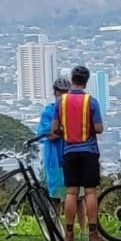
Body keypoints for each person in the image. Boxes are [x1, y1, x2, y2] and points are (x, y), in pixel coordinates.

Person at [52, 66, 105, 241]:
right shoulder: (91, 101)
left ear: (72, 80)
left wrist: (66, 131)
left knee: (71, 192)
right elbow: (98, 128)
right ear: (86, 81)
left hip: (69, 151)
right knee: (90, 191)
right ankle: (92, 233)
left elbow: (54, 129)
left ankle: (68, 233)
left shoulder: (61, 102)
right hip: (89, 150)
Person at [36, 78, 70, 208]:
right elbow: (45, 134)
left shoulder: (71, 110)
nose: (63, 95)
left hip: (69, 156)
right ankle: (56, 226)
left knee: (73, 195)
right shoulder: (48, 111)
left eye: (65, 92)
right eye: (60, 92)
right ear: (55, 92)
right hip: (54, 158)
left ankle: (71, 225)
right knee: (56, 195)